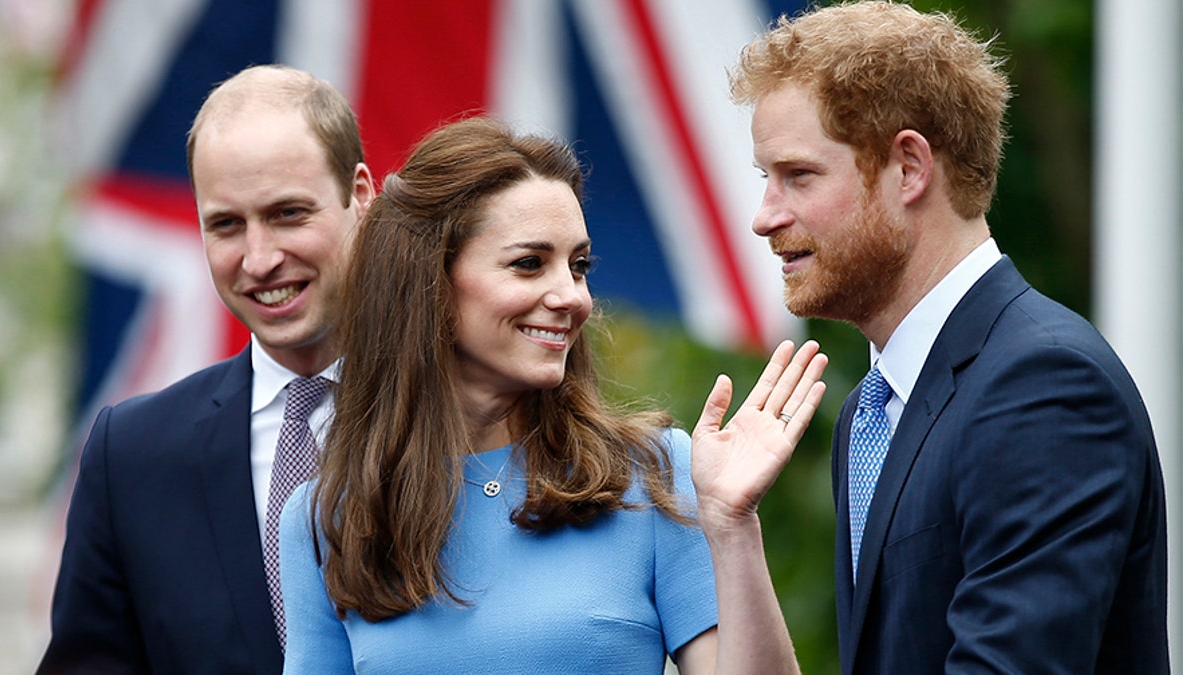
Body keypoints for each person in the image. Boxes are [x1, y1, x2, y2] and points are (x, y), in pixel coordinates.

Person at [277, 116, 827, 673]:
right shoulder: (325, 520)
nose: (571, 296)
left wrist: (733, 526)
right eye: (528, 264)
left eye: (579, 265)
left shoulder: (655, 472)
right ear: (430, 284)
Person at [730, 2, 1169, 673]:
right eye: (767, 179)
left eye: (798, 175)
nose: (765, 217)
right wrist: (730, 524)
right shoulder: (869, 413)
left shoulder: (1044, 385)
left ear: (909, 167)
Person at [39, 64, 375, 674]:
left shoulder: (475, 416)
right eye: (226, 224)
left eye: (287, 214)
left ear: (360, 196)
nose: (259, 258)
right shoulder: (132, 456)